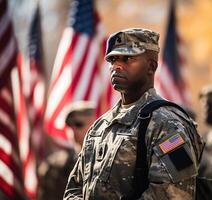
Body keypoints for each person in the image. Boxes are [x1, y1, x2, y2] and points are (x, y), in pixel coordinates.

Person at [63, 28, 204, 200]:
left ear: (151, 66)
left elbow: (175, 193)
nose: (117, 65)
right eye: (113, 59)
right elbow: (74, 188)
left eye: (128, 58)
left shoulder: (168, 124)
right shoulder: (99, 127)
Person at [37, 101, 96, 200]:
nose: (73, 129)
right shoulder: (55, 165)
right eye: (69, 125)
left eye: (79, 124)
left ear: (94, 124)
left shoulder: (107, 160)